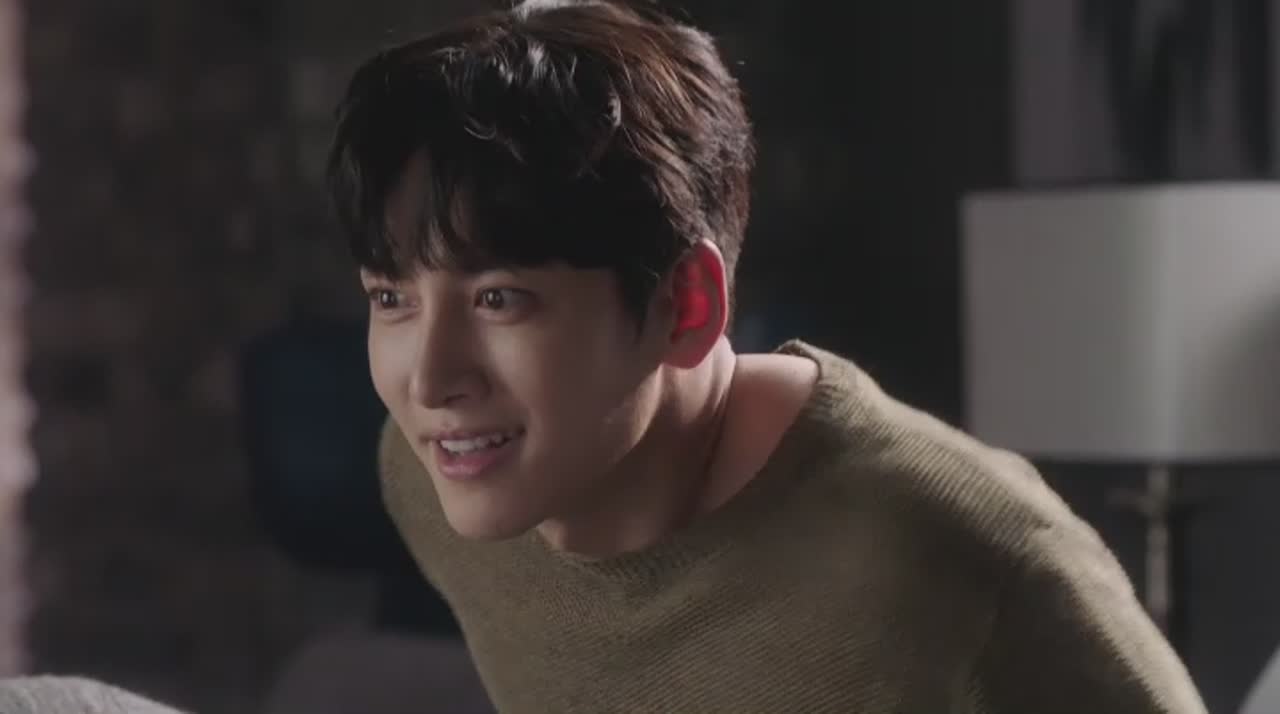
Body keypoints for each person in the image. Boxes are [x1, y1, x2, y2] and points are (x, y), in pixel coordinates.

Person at [326, 0, 1209, 711]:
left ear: (686, 306)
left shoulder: (952, 557)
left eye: (499, 299)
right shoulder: (437, 476)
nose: (430, 381)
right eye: (391, 298)